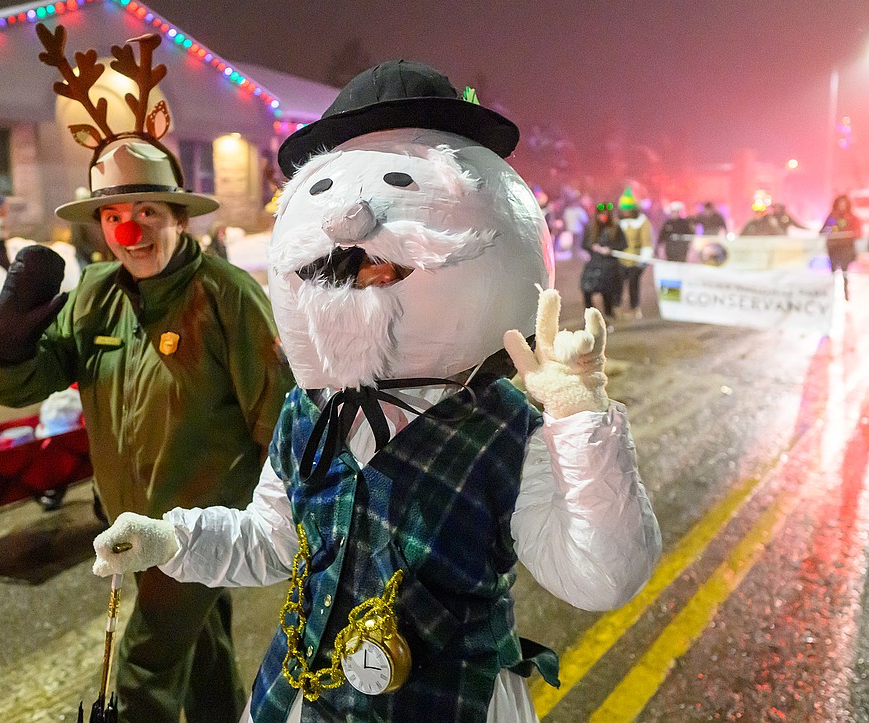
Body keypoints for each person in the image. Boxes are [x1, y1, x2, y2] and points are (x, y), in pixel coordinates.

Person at [91, 60, 659, 722]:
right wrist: (171, 540)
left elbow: (599, 574)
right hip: (298, 698)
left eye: (398, 181)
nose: (351, 222)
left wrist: (579, 417)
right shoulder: (306, 412)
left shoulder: (507, 427)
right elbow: (273, 537)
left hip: (449, 704)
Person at [0, 29, 293, 723]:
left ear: (178, 215)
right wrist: (5, 346)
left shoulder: (228, 296)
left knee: (144, 666)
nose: (129, 230)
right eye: (113, 215)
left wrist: (297, 524)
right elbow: (20, 386)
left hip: (201, 526)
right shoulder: (93, 294)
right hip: (127, 526)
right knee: (201, 650)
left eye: (147, 211)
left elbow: (282, 416)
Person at [581, 200, 627, 322]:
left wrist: (610, 249)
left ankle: (609, 313)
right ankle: (590, 315)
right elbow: (584, 244)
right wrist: (592, 247)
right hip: (594, 263)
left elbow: (623, 244)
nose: (603, 217)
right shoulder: (591, 228)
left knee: (607, 292)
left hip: (609, 265)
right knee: (587, 289)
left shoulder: (616, 228)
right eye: (601, 214)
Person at [616, 189, 653, 318]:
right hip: (620, 259)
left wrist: (642, 260)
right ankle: (617, 308)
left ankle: (634, 308)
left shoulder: (642, 222)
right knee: (617, 284)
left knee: (633, 284)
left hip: (635, 260)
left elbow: (646, 243)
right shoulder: (617, 222)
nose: (625, 212)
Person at [821, 194, 862, 301]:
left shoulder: (851, 217)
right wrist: (830, 232)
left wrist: (851, 234)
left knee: (845, 271)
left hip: (846, 248)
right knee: (833, 272)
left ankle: (846, 294)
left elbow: (858, 232)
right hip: (834, 248)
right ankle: (831, 294)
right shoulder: (833, 217)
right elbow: (824, 229)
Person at [68, 186, 115, 271]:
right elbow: (77, 240)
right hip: (85, 258)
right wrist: (92, 253)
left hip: (99, 256)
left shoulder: (94, 218)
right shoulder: (77, 221)